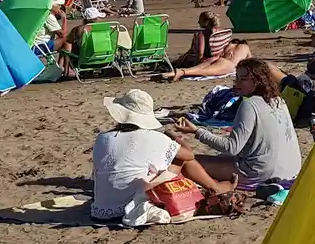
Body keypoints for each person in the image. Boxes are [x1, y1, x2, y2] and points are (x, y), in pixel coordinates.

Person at [90, 89, 228, 222]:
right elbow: (189, 155)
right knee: (180, 160)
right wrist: (173, 135)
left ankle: (214, 187)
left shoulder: (103, 138)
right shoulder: (155, 138)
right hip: (134, 205)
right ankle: (215, 188)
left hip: (101, 208)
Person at [172, 59, 302, 193]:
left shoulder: (249, 104)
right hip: (291, 170)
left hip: (261, 173)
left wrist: (197, 131)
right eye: (237, 77)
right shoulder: (279, 101)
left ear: (258, 81)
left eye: (243, 79)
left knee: (190, 162)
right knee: (222, 157)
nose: (236, 83)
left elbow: (232, 148)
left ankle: (217, 187)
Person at [160, 37, 251, 81]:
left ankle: (171, 73)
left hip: (216, 58)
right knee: (203, 71)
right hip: (228, 63)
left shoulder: (229, 45)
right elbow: (250, 61)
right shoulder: (245, 47)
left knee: (196, 68)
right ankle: (181, 72)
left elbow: (220, 55)